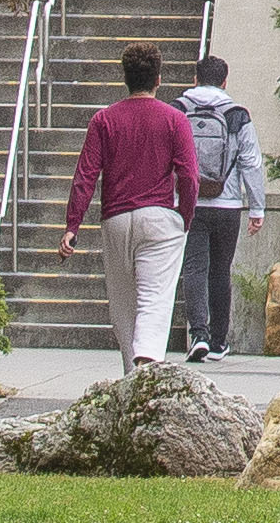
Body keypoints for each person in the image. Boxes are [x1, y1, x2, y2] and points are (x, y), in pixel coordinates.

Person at [59, 45, 203, 361]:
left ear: (125, 77)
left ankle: (132, 372)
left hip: (116, 219)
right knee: (155, 298)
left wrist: (73, 225)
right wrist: (185, 217)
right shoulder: (175, 120)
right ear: (159, 79)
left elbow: (85, 175)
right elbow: (189, 176)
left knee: (123, 306)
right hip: (160, 217)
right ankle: (149, 357)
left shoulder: (103, 120)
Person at [178, 55, 264, 356]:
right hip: (227, 204)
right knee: (220, 270)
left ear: (195, 79)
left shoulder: (178, 109)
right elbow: (251, 162)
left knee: (194, 267)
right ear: (225, 81)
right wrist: (256, 208)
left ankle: (198, 333)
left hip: (189, 203)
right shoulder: (236, 114)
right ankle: (218, 341)